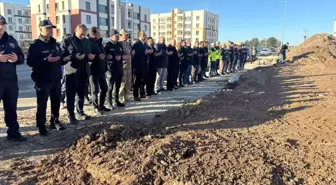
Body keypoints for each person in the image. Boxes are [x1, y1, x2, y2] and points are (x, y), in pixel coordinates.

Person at [27, 20, 68, 136]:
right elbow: (30, 62)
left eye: (51, 28)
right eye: (47, 28)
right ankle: (41, 125)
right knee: (42, 104)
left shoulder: (55, 44)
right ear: (40, 29)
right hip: (42, 79)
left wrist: (65, 59)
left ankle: (54, 121)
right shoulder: (36, 45)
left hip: (56, 78)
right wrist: (46, 60)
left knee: (56, 102)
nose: (50, 31)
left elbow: (59, 60)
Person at [61, 24, 94, 125]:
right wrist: (74, 56)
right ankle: (71, 116)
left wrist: (90, 57)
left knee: (81, 94)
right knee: (70, 95)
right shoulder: (67, 41)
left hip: (84, 71)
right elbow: (62, 57)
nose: (83, 37)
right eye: (81, 35)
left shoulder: (87, 41)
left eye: (84, 35)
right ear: (75, 31)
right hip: (71, 71)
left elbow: (88, 54)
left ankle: (80, 112)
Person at [0, 15, 26, 142]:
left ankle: (13, 132)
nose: (1, 26)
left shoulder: (11, 40)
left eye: (3, 23)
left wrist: (17, 59)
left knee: (11, 108)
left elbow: (21, 56)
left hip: (11, 81)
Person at [87, 27, 111, 115]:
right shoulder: (88, 42)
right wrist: (97, 56)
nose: (99, 34)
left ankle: (101, 105)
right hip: (93, 70)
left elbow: (103, 54)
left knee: (104, 88)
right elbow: (89, 55)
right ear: (93, 33)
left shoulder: (99, 42)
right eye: (98, 32)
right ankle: (96, 107)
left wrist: (105, 64)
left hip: (101, 69)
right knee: (95, 90)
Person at [105, 30, 125, 108]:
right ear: (111, 36)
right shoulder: (108, 45)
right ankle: (109, 102)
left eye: (118, 35)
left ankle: (116, 101)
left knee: (117, 86)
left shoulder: (119, 45)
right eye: (115, 35)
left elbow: (121, 54)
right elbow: (105, 56)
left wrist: (121, 57)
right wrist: (111, 57)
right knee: (110, 87)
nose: (117, 36)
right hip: (111, 69)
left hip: (119, 68)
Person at [131, 30, 147, 101]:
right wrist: (144, 52)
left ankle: (142, 93)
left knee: (142, 80)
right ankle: (136, 95)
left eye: (145, 34)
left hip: (143, 64)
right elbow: (135, 53)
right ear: (140, 35)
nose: (145, 36)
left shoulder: (143, 43)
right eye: (143, 34)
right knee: (137, 80)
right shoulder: (137, 43)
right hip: (137, 65)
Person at [119, 29, 132, 103]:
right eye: (125, 34)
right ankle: (120, 98)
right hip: (123, 66)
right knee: (122, 83)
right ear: (121, 35)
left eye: (127, 35)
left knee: (128, 82)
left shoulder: (127, 44)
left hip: (129, 65)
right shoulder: (119, 44)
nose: (127, 36)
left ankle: (126, 96)